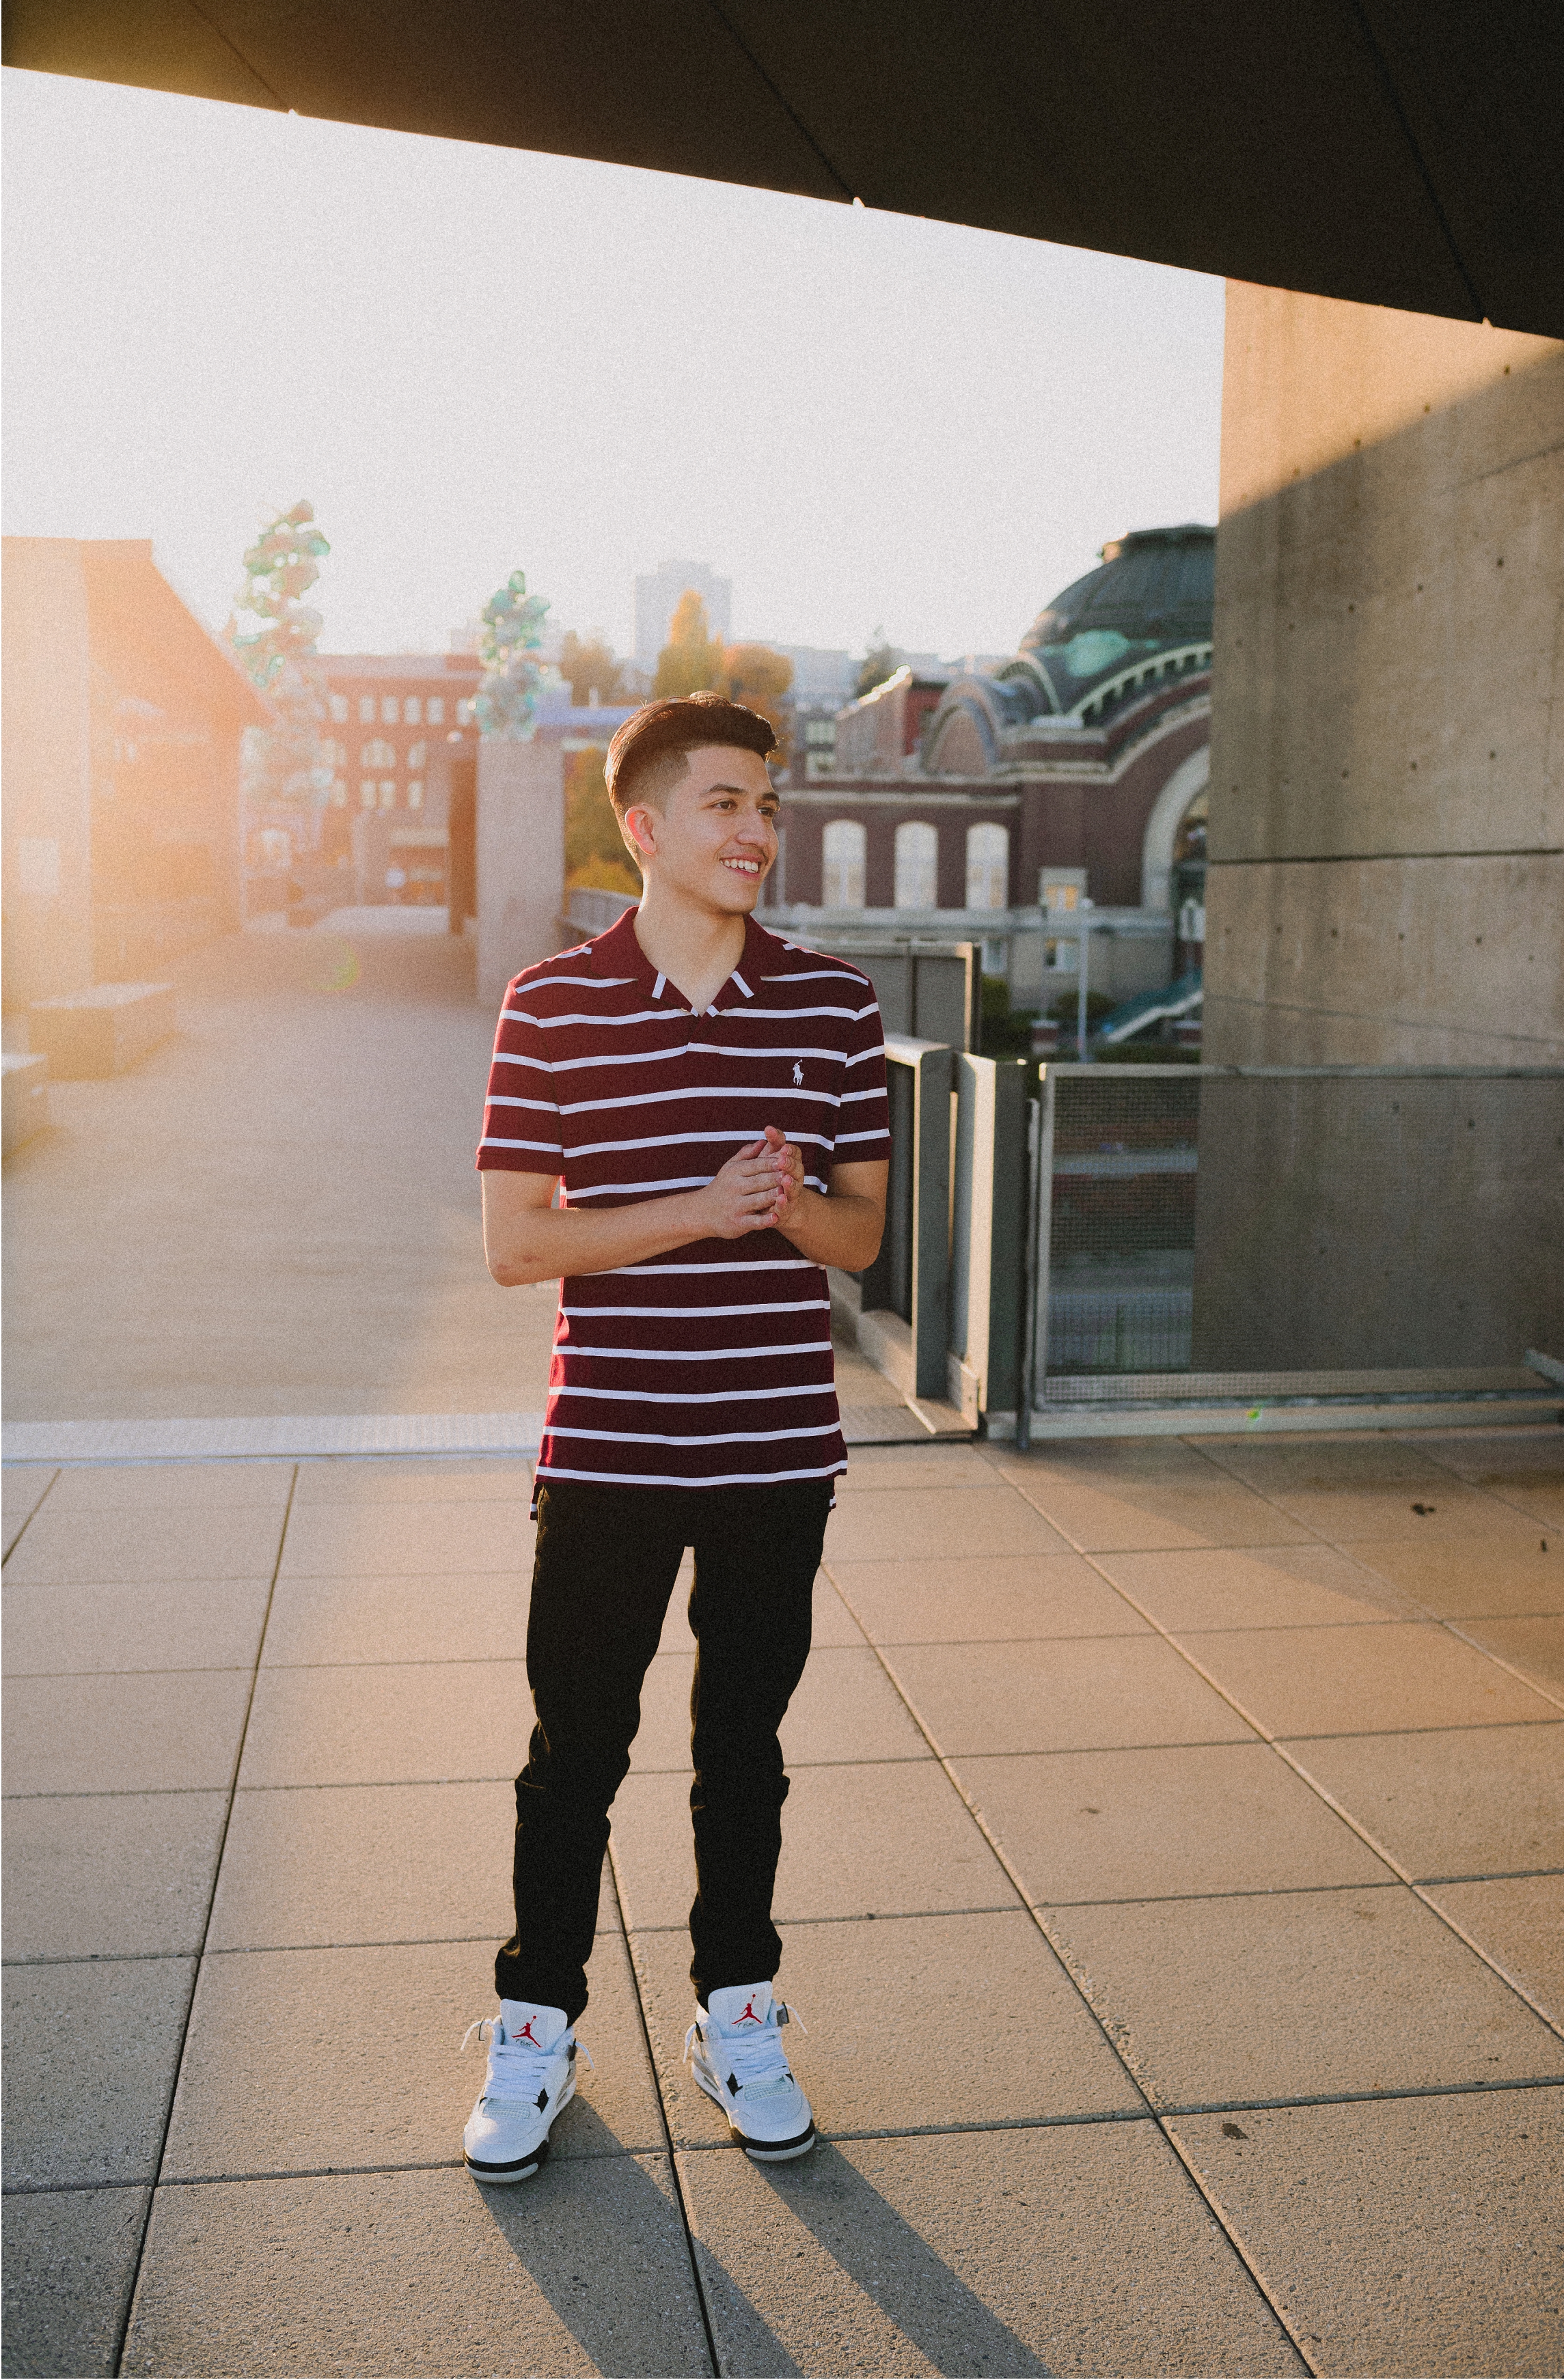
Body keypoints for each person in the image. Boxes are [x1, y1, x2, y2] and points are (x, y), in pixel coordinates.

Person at [461, 693, 890, 2184]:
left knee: (742, 1747)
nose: (756, 831)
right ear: (642, 827)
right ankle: (534, 2024)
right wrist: (701, 1210)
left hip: (777, 1445)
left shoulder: (834, 1005)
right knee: (573, 1748)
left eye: (766, 804)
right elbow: (519, 1247)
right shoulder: (549, 1005)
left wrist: (786, 1210)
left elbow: (862, 1239)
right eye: (723, 804)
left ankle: (738, 2013)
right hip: (610, 1449)